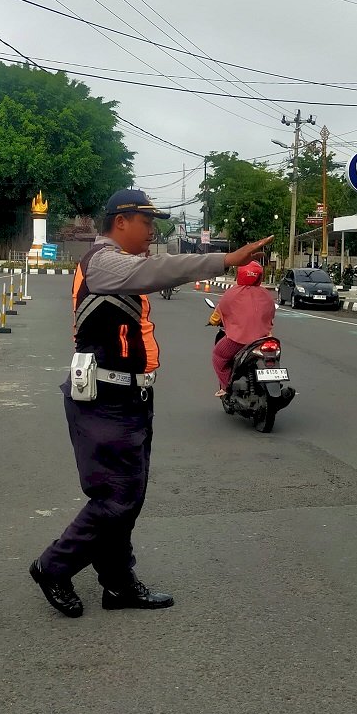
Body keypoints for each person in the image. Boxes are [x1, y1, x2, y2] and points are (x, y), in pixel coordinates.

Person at [29, 188, 272, 619]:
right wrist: (225, 260)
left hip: (129, 396)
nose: (152, 232)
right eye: (147, 222)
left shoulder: (118, 264)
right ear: (121, 221)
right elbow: (162, 269)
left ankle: (118, 582)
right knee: (116, 497)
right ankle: (54, 566)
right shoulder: (102, 261)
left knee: (128, 497)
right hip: (105, 398)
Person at [210, 261, 276, 397]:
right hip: (264, 339)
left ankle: (226, 387)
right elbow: (271, 315)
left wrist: (212, 321)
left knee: (218, 356)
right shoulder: (267, 295)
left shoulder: (231, 294)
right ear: (260, 277)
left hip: (238, 340)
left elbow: (218, 314)